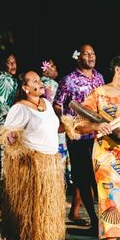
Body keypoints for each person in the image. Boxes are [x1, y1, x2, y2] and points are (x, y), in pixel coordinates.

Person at [68, 53, 120, 240]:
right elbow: (77, 124)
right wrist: (96, 127)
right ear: (118, 69)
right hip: (106, 155)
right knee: (111, 202)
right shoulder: (100, 94)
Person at [0, 70, 65, 240]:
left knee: (46, 203)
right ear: (25, 88)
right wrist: (19, 150)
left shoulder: (47, 104)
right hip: (30, 163)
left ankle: (42, 237)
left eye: (39, 79)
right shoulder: (19, 108)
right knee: (30, 204)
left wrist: (70, 124)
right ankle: (27, 239)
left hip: (50, 161)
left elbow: (55, 127)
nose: (40, 82)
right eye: (34, 80)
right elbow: (8, 136)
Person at [54, 44, 104, 234]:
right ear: (78, 57)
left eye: (93, 53)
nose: (91, 56)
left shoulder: (99, 77)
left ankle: (106, 219)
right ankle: (93, 219)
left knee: (98, 178)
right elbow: (57, 105)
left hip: (98, 135)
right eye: (86, 53)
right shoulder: (68, 80)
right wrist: (68, 121)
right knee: (83, 179)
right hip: (78, 137)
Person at [41, 59, 72, 194]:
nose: (55, 68)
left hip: (42, 128)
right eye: (52, 66)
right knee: (58, 161)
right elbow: (58, 107)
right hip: (55, 127)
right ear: (46, 70)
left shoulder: (38, 85)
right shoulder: (52, 85)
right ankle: (56, 195)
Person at [0, 52, 18, 126]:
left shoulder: (10, 79)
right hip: (5, 126)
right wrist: (9, 123)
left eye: (14, 62)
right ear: (3, 65)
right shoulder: (3, 80)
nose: (13, 65)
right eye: (9, 63)